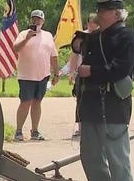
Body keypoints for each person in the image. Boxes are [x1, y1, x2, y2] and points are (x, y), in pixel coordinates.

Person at [72, 0, 134, 181]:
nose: (100, 13)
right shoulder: (96, 37)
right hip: (91, 102)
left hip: (113, 103)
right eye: (99, 9)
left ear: (117, 14)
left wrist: (93, 72)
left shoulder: (127, 36)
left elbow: (121, 68)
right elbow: (80, 49)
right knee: (90, 154)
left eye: (105, 10)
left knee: (117, 155)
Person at [12, 9, 59, 141]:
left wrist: (56, 73)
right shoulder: (23, 34)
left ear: (43, 21)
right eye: (33, 19)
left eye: (38, 19)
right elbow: (16, 48)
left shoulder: (48, 35)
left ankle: (35, 130)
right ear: (30, 20)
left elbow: (54, 56)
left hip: (43, 75)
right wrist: (27, 38)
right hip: (26, 75)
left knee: (37, 102)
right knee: (25, 102)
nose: (36, 21)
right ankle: (19, 131)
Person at [69, 13, 100, 138]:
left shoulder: (102, 37)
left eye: (95, 23)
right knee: (80, 100)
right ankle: (81, 127)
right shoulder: (82, 36)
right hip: (81, 72)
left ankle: (95, 126)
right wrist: (71, 72)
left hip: (95, 72)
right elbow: (74, 55)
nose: (92, 25)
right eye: (90, 22)